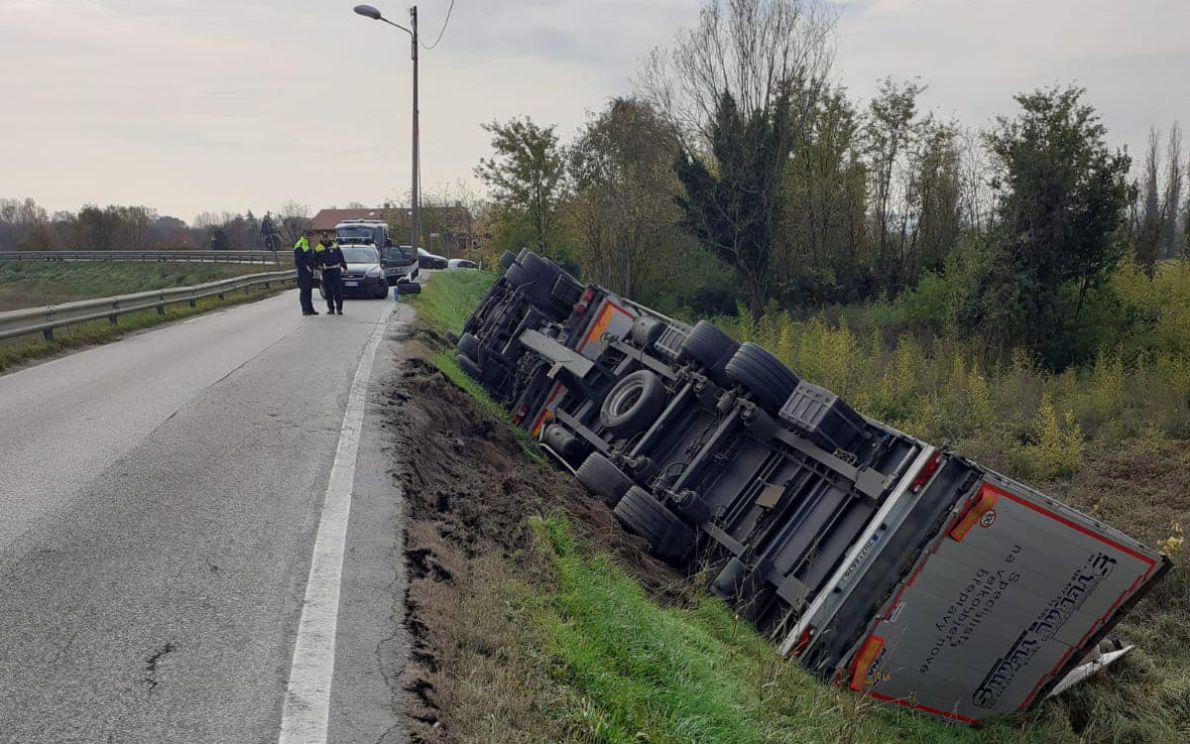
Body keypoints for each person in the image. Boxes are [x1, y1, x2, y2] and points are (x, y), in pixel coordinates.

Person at [315, 233, 347, 315]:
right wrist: (317, 266)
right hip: (326, 272)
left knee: (338, 291)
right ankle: (331, 309)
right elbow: (314, 260)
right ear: (321, 238)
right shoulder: (318, 248)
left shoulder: (335, 246)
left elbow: (341, 257)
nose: (325, 239)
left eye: (326, 237)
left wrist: (345, 267)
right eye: (323, 237)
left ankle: (339, 309)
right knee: (328, 292)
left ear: (329, 238)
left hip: (335, 271)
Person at [293, 230, 318, 316]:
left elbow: (311, 257)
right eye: (309, 236)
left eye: (311, 236)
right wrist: (306, 266)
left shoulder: (307, 244)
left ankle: (310, 309)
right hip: (303, 272)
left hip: (309, 271)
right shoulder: (300, 244)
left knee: (309, 291)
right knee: (304, 291)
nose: (311, 238)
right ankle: (305, 309)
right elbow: (298, 260)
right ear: (305, 236)